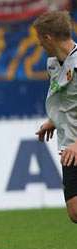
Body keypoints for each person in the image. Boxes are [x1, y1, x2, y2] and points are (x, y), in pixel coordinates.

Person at [33, 11, 77, 223]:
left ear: (48, 37)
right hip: (69, 146)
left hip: (76, 145)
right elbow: (68, 101)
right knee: (74, 212)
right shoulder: (53, 64)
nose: (39, 44)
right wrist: (54, 121)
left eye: (40, 38)